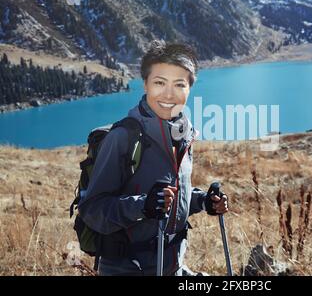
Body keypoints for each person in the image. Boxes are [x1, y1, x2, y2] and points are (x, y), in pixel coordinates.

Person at [78, 40, 228, 276]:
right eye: (160, 83)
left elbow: (169, 197)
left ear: (189, 88)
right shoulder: (123, 138)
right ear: (145, 84)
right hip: (128, 269)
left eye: (179, 84)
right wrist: (142, 206)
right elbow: (93, 211)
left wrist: (202, 202)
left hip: (173, 266)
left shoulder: (184, 136)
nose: (169, 94)